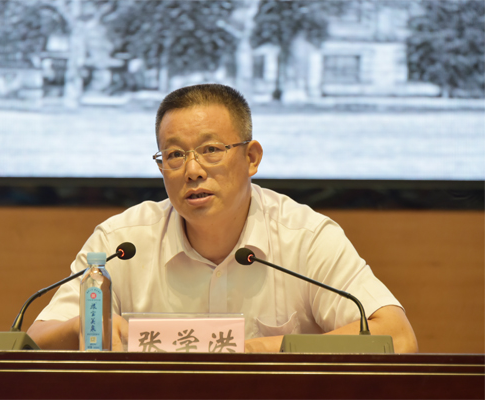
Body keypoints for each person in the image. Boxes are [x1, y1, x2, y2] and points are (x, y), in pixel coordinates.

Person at [28, 84, 418, 353]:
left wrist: (256, 352)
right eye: (174, 155)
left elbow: (397, 337)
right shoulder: (121, 243)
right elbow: (35, 339)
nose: (192, 170)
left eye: (211, 150)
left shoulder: (306, 237)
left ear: (251, 158)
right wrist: (81, 327)